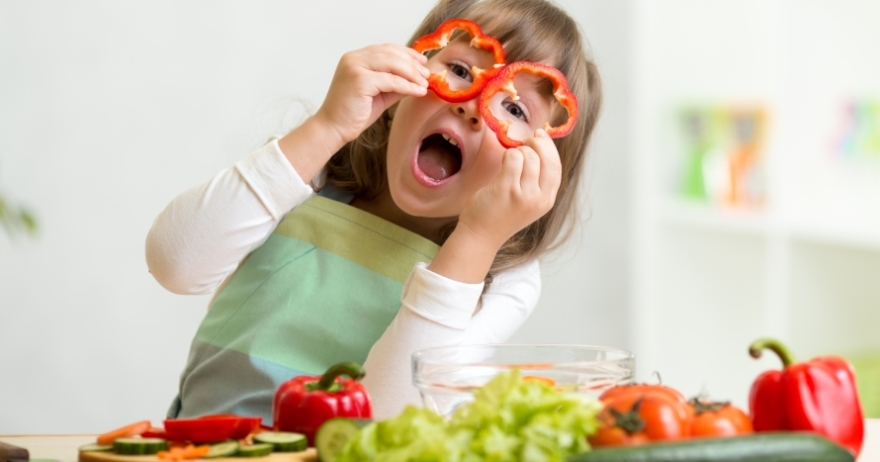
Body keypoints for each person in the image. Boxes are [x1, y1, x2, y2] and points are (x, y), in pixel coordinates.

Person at [145, 0, 602, 422]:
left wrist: (476, 241)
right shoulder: (311, 173)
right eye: (461, 69)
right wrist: (326, 126)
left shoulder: (505, 278)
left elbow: (389, 417)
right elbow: (175, 265)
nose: (474, 107)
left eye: (515, 109)